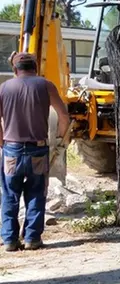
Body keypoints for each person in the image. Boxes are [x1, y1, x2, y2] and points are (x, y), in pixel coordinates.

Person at [0, 53, 70, 252]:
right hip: (38, 150)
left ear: (15, 69)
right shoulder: (46, 85)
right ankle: (32, 238)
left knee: (9, 195)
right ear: (35, 67)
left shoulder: (4, 88)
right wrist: (59, 141)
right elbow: (64, 116)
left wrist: (2, 144)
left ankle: (9, 240)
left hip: (11, 149)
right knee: (36, 193)